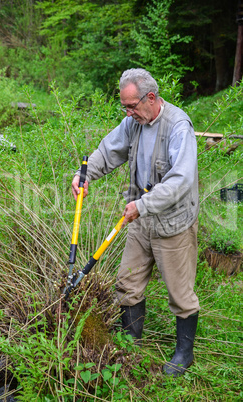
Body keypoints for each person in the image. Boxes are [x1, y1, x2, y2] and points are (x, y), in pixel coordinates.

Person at [72, 68, 200, 377]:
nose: (128, 113)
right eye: (124, 107)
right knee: (127, 283)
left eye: (132, 106)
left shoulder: (178, 127)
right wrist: (85, 174)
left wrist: (143, 205)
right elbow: (108, 149)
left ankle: (184, 353)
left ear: (151, 98)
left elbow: (180, 180)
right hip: (140, 218)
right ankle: (130, 342)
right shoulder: (134, 122)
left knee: (180, 293)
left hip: (172, 224)